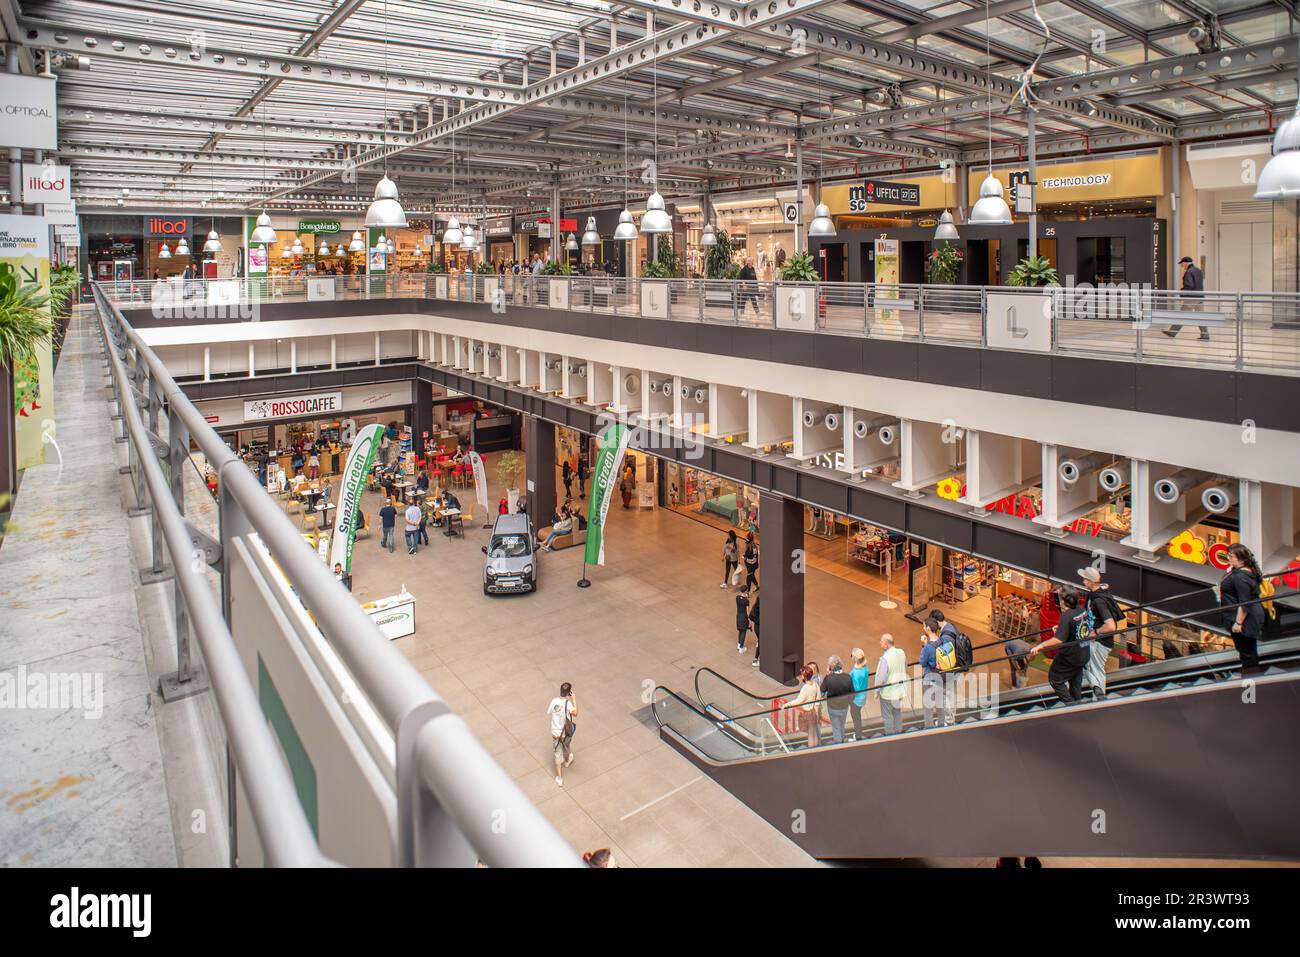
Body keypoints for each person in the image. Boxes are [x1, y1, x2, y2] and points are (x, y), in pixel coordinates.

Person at [1037, 588, 1091, 704]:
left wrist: (1041, 645)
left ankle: (1070, 704)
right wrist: (1061, 629)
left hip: (1069, 657)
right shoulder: (1082, 610)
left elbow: (1058, 640)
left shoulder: (1066, 616)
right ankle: (1077, 704)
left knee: (1055, 679)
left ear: (1064, 601)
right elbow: (1079, 628)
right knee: (1075, 680)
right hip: (1083, 653)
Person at [1220, 542, 1266, 672]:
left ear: (1240, 559)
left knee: (1247, 651)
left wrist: (1238, 623)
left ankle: (1251, 678)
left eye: (1231, 556)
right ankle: (1251, 674)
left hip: (1244, 619)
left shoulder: (1241, 577)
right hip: (1247, 616)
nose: (1228, 558)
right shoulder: (1242, 571)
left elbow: (1244, 603)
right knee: (1247, 649)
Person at [1078, 567, 1120, 698]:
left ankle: (1099, 699)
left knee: (1096, 670)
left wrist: (1095, 632)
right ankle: (1097, 693)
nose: (1083, 581)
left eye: (1085, 579)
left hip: (1100, 642)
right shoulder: (1096, 595)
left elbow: (1111, 626)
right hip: (1096, 641)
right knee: (1088, 666)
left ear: (1091, 581)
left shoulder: (1099, 601)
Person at [920, 612, 957, 728]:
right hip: (942, 676)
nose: (923, 628)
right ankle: (941, 725)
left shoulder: (928, 648)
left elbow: (922, 662)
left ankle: (929, 727)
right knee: (940, 703)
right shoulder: (943, 641)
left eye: (924, 626)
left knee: (928, 705)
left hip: (931, 679)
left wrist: (923, 645)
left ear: (928, 629)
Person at [1162, 256, 1209, 340]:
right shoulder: (1198, 270)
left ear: (1185, 263)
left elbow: (1189, 285)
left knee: (1182, 315)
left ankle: (1172, 332)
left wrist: (1182, 293)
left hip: (1191, 298)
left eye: (1182, 264)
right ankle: (1205, 335)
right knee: (1201, 316)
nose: (1182, 266)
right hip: (1200, 296)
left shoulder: (1189, 272)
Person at [876, 633, 907, 735]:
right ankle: (898, 734)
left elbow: (881, 679)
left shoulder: (885, 659)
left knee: (887, 716)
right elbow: (904, 666)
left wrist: (877, 691)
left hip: (888, 694)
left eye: (881, 641)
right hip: (899, 692)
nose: (880, 643)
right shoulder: (901, 652)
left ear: (886, 644)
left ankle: (889, 736)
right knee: (897, 713)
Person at [547, 682, 578, 787]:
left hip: (556, 733)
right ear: (568, 693)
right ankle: (569, 757)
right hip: (565, 732)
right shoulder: (568, 704)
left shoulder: (554, 701)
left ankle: (559, 779)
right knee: (566, 745)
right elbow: (576, 713)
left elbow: (550, 712)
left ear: (560, 690)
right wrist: (573, 699)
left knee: (557, 754)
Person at [821, 655, 856, 745]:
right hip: (844, 707)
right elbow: (853, 694)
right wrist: (846, 701)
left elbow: (821, 691)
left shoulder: (828, 678)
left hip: (833, 708)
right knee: (842, 725)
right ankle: (842, 740)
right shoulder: (848, 677)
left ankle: (839, 745)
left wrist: (828, 674)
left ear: (830, 667)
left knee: (836, 727)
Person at [788, 667, 822, 749]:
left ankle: (811, 751)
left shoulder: (805, 688)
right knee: (814, 732)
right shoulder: (815, 684)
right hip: (814, 711)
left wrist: (787, 704)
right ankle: (817, 749)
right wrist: (817, 711)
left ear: (804, 676)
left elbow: (799, 700)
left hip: (807, 713)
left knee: (810, 734)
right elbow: (818, 698)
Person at [849, 648, 871, 740]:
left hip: (856, 700)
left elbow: (856, 688)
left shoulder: (855, 673)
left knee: (855, 716)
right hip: (863, 697)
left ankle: (858, 736)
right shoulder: (866, 668)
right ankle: (858, 733)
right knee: (857, 715)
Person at [748, 592, 760, 667]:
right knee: (760, 643)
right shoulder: (762, 609)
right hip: (761, 627)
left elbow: (750, 617)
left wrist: (756, 621)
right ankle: (755, 659)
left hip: (756, 627)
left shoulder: (754, 607)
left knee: (760, 641)